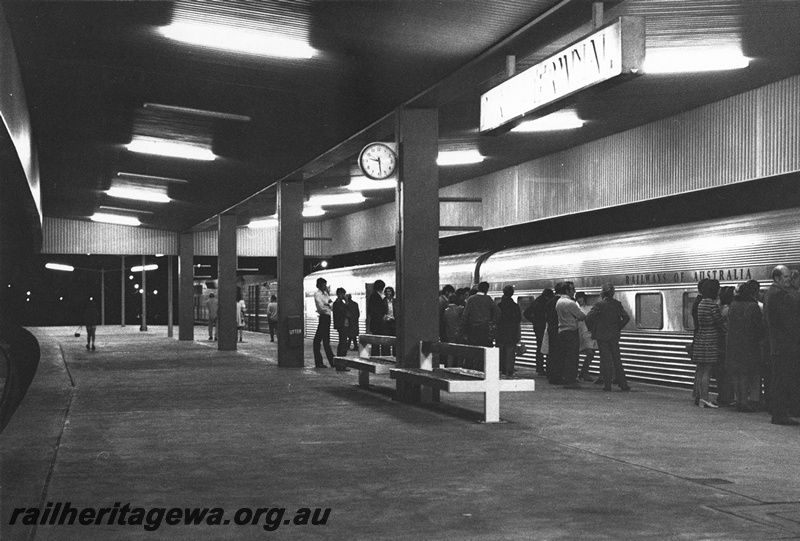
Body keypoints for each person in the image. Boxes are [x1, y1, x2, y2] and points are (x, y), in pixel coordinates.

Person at [763, 265, 800, 425]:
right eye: (786, 276)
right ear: (777, 278)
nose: (789, 279)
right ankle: (779, 415)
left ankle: (779, 412)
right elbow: (788, 321)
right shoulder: (779, 294)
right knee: (782, 379)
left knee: (780, 379)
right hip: (784, 344)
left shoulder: (773, 292)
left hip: (779, 344)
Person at [585, 283, 631, 392]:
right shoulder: (617, 304)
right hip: (614, 335)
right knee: (616, 360)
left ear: (602, 293)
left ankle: (607, 385)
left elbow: (588, 318)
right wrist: (617, 327)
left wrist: (593, 329)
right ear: (612, 293)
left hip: (602, 336)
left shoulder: (599, 305)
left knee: (606, 360)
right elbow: (626, 318)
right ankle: (623, 384)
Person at [725, 281, 764, 413]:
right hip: (748, 343)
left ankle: (739, 400)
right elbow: (758, 326)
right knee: (745, 373)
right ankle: (744, 401)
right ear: (754, 292)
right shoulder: (753, 306)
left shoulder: (733, 304)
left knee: (736, 373)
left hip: (733, 343)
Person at [691, 279, 725, 408]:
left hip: (701, 337)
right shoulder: (711, 304)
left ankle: (700, 397)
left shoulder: (701, 303)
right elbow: (718, 321)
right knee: (707, 370)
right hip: (710, 339)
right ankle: (705, 398)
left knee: (701, 370)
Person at [556, 281, 587, 389]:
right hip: (571, 331)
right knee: (573, 357)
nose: (574, 291)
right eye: (573, 289)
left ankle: (566, 379)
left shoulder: (559, 302)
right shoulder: (570, 303)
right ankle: (571, 381)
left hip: (561, 331)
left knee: (565, 357)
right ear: (567, 291)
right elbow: (581, 316)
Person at [462, 281, 500, 360]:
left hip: (472, 329)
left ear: (478, 288)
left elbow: (465, 315)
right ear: (487, 290)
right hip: (484, 329)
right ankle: (480, 368)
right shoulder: (488, 299)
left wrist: (463, 329)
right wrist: (492, 323)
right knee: (482, 351)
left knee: (472, 351)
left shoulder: (471, 299)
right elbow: (498, 312)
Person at [523, 288, 554, 377]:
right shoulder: (545, 303)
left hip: (538, 327)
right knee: (547, 346)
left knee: (539, 347)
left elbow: (526, 313)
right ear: (547, 296)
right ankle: (547, 368)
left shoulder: (536, 302)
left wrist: (534, 321)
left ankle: (539, 368)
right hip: (544, 326)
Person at [496, 285, 522, 376]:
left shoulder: (499, 306)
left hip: (501, 333)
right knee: (510, 352)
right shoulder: (515, 306)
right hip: (512, 333)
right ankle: (509, 369)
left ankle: (502, 369)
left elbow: (496, 318)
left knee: (501, 351)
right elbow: (518, 319)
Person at [312, 277, 335, 368]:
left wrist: (328, 305)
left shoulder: (326, 294)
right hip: (323, 317)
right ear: (319, 285)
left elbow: (332, 306)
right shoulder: (317, 294)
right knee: (322, 340)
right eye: (324, 285)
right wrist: (328, 306)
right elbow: (321, 307)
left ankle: (324, 362)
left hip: (327, 317)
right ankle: (328, 361)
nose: (325, 286)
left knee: (323, 340)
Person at [544, 283, 564, 384]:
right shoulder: (562, 302)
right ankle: (558, 376)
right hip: (560, 329)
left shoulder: (549, 302)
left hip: (551, 329)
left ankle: (551, 375)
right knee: (560, 353)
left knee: (552, 353)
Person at [575, 292, 596, 382]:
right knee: (588, 353)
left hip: (589, 332)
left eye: (581, 298)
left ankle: (584, 372)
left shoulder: (590, 308)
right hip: (579, 332)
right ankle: (583, 373)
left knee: (591, 353)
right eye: (578, 298)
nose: (579, 300)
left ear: (584, 298)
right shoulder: (575, 308)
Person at [443, 294, 465, 367]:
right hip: (459, 333)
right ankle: (459, 366)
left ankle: (449, 366)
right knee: (460, 352)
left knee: (451, 352)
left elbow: (444, 321)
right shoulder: (460, 309)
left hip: (449, 333)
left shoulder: (446, 311)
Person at [331, 287, 351, 368]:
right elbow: (345, 312)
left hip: (343, 325)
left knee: (343, 343)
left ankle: (341, 363)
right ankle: (341, 364)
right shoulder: (338, 303)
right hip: (341, 325)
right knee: (343, 344)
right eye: (342, 294)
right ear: (339, 294)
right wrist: (346, 302)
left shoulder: (339, 303)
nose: (343, 296)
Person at [367, 280, 387, 356]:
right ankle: (376, 356)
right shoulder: (376, 296)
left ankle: (376, 355)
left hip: (375, 322)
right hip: (378, 322)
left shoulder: (374, 296)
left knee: (376, 341)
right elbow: (373, 310)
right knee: (377, 341)